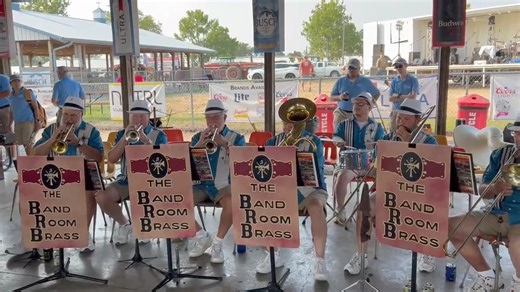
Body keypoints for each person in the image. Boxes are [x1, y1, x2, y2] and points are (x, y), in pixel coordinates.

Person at [343, 98, 438, 275]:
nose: (401, 123)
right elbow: (375, 169)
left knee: (430, 208)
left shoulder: (430, 142)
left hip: (419, 195)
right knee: (363, 208)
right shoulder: (387, 139)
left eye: (407, 119)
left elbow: (432, 178)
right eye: (399, 118)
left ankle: (427, 251)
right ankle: (361, 254)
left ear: (418, 120)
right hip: (390, 191)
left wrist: (410, 145)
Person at [6, 97, 103, 255]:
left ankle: (83, 233)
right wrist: (53, 139)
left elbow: (98, 158)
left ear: (81, 115)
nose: (68, 119)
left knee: (90, 191)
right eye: (66, 115)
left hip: (84, 173)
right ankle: (29, 239)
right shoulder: (51, 130)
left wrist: (79, 143)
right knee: (28, 194)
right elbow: (35, 155)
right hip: (55, 175)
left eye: (73, 116)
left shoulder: (91, 131)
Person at [447, 117, 520, 291]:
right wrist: (496, 187)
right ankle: (486, 276)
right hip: (495, 213)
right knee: (452, 227)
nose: (518, 139)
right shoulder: (501, 154)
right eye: (516, 134)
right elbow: (483, 189)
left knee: (518, 245)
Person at [258, 118, 329, 281]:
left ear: (301, 124)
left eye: (292, 124)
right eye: (284, 123)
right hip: (281, 189)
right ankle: (272, 255)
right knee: (263, 204)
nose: (287, 127)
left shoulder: (314, 141)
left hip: (311, 189)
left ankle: (320, 260)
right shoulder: (272, 141)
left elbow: (316, 171)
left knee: (316, 207)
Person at [95, 100, 167, 246]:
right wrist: (123, 139)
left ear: (148, 116)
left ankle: (145, 227)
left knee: (143, 193)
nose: (138, 120)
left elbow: (165, 160)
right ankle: (125, 224)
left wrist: (147, 142)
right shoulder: (123, 133)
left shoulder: (159, 135)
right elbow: (112, 159)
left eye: (142, 116)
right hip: (126, 180)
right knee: (101, 196)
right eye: (135, 116)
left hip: (151, 181)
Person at [188, 99, 245, 264]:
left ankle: (218, 243)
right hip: (200, 184)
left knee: (233, 204)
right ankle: (201, 236)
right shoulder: (197, 137)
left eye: (216, 117)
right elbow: (186, 162)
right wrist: (199, 144)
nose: (212, 122)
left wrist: (225, 144)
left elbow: (243, 162)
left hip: (224, 185)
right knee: (175, 202)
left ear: (225, 117)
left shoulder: (237, 137)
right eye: (208, 118)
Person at [332, 92, 385, 225]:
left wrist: (380, 146)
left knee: (385, 177)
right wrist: (338, 141)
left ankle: (373, 209)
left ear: (369, 107)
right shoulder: (344, 124)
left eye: (361, 104)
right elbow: (336, 136)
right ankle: (340, 209)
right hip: (350, 164)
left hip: (370, 164)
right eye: (355, 104)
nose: (357, 106)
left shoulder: (377, 127)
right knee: (342, 177)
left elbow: (382, 144)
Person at [330, 58, 380, 131]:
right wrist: (340, 97)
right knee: (338, 137)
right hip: (341, 113)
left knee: (355, 137)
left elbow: (377, 93)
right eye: (350, 67)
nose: (351, 70)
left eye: (354, 68)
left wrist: (369, 106)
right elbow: (331, 97)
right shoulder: (340, 81)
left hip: (358, 114)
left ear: (359, 69)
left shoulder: (365, 81)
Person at [2, 75, 41, 153]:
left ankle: (32, 162)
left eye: (18, 81)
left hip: (28, 121)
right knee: (23, 144)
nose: (17, 83)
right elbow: (12, 111)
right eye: (14, 81)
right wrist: (9, 124)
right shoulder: (11, 96)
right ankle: (30, 162)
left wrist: (37, 121)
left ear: (21, 82)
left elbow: (36, 108)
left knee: (28, 144)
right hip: (18, 123)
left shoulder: (28, 92)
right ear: (11, 83)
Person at [388, 58, 419, 133]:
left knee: (409, 135)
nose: (398, 68)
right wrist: (406, 97)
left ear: (406, 66)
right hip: (396, 111)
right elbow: (390, 98)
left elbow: (413, 97)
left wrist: (398, 97)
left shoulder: (413, 80)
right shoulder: (394, 81)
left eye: (400, 66)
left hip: (408, 113)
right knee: (393, 134)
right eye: (396, 67)